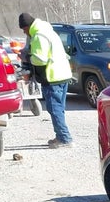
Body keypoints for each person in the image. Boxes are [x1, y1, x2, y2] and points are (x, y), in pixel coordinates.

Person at [18, 12, 73, 148]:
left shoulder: (38, 36)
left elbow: (40, 59)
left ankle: (65, 139)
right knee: (59, 108)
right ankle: (61, 136)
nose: (24, 33)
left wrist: (27, 57)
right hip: (63, 74)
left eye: (24, 30)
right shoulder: (48, 31)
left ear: (27, 27)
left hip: (52, 77)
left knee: (54, 109)